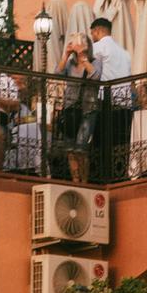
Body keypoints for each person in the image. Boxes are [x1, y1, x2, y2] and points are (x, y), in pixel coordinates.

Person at [89, 16, 134, 179]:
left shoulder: (98, 47)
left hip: (106, 101)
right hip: (125, 102)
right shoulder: (125, 52)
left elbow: (89, 67)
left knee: (102, 142)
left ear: (97, 31)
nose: (92, 37)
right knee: (121, 143)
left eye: (92, 34)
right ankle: (119, 174)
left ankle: (102, 176)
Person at [53, 34, 99, 182]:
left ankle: (84, 181)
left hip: (88, 109)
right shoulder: (70, 64)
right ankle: (75, 180)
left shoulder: (95, 61)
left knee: (81, 148)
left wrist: (83, 58)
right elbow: (57, 74)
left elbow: (95, 76)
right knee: (70, 149)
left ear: (88, 46)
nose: (78, 44)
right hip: (70, 108)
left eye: (82, 41)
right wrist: (65, 55)